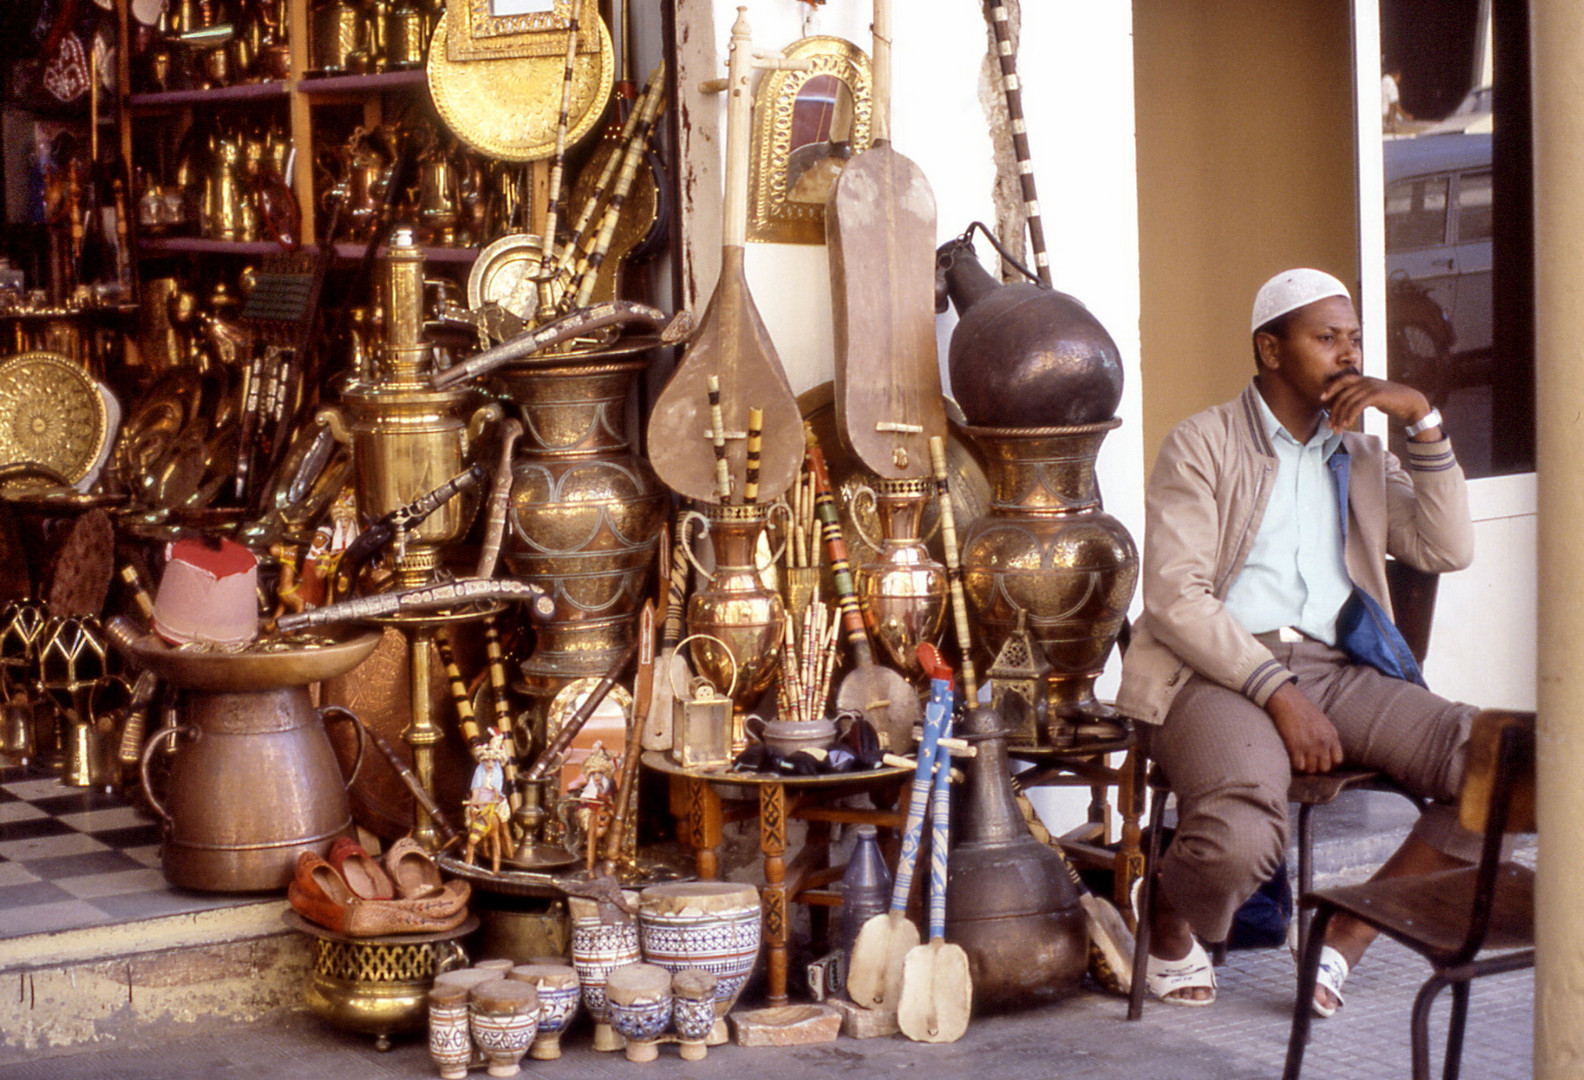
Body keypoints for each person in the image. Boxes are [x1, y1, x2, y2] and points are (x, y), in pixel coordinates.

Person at [1117, 268, 1477, 1016]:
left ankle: (1345, 933)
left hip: (1341, 673)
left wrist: (1422, 419)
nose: (1347, 356)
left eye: (1354, 340)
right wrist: (1275, 692)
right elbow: (1176, 597)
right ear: (1271, 349)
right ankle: (1168, 912)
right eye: (1326, 338)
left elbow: (1448, 547)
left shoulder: (1362, 457)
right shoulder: (1202, 443)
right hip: (1212, 671)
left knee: (1507, 768)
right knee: (1241, 843)